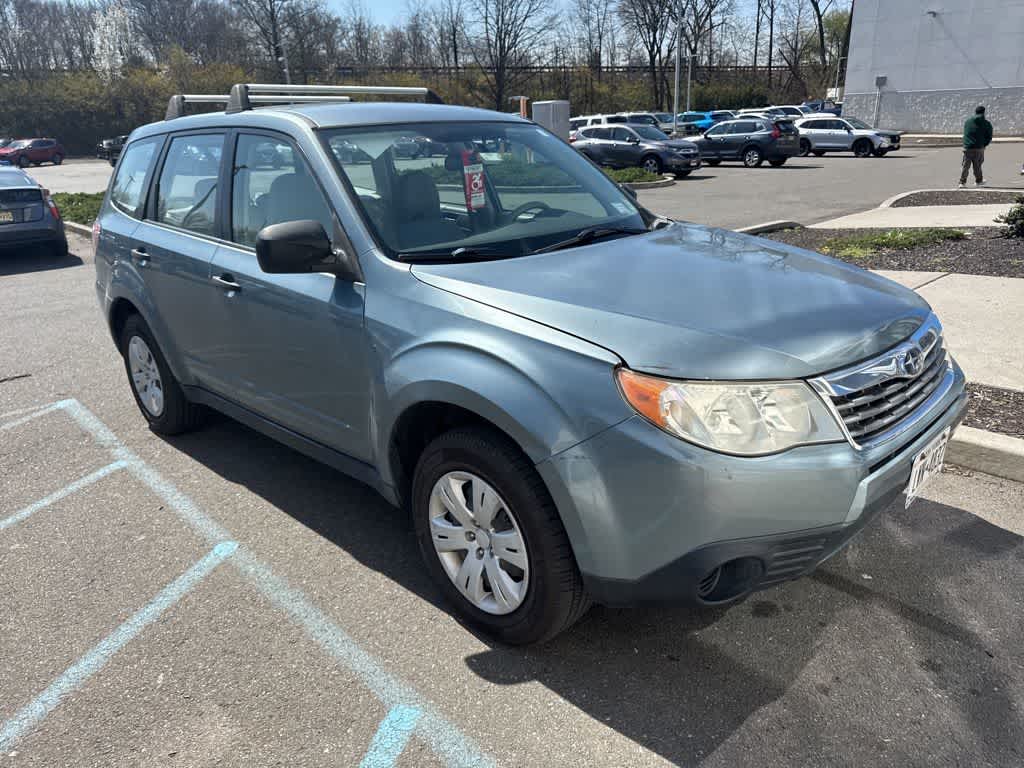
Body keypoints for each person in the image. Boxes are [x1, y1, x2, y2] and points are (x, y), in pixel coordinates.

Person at [959, 105, 993, 188]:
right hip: (979, 147)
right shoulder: (986, 123)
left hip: (967, 147)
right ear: (984, 112)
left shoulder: (968, 122)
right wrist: (984, 145)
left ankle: (962, 182)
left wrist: (966, 144)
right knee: (977, 165)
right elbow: (989, 136)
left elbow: (966, 133)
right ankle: (978, 181)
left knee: (965, 166)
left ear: (975, 112)